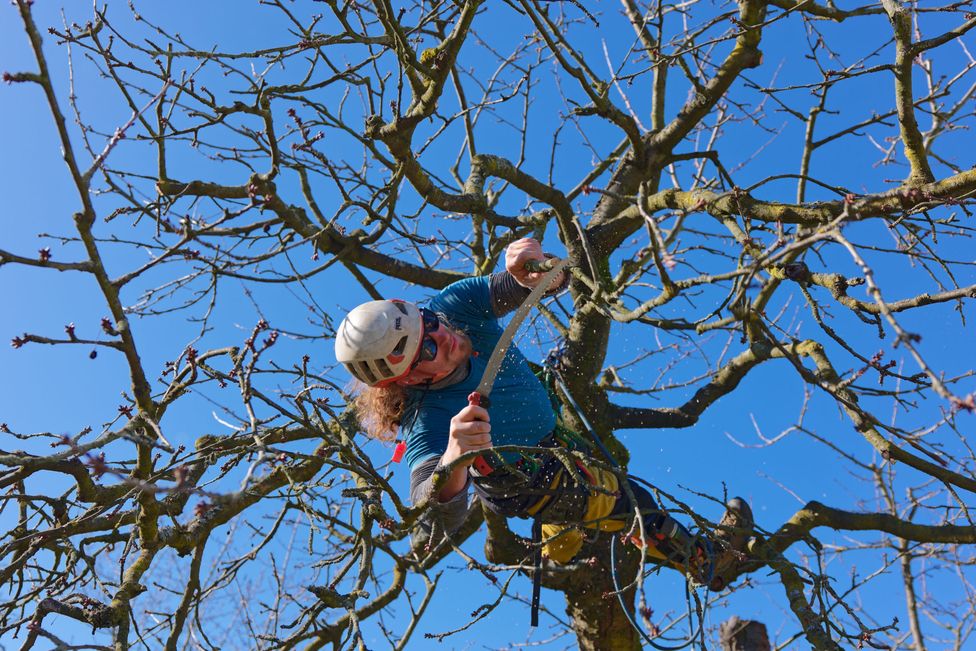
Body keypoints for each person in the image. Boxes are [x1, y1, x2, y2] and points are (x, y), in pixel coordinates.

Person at [334, 238, 753, 590]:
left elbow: (538, 283)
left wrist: (531, 270)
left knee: (592, 483)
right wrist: (453, 459)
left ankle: (563, 535)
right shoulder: (429, 419)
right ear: (404, 380)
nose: (443, 336)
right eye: (427, 349)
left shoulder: (454, 305)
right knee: (634, 505)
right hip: (530, 481)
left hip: (555, 440)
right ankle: (709, 564)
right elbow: (435, 512)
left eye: (428, 323)